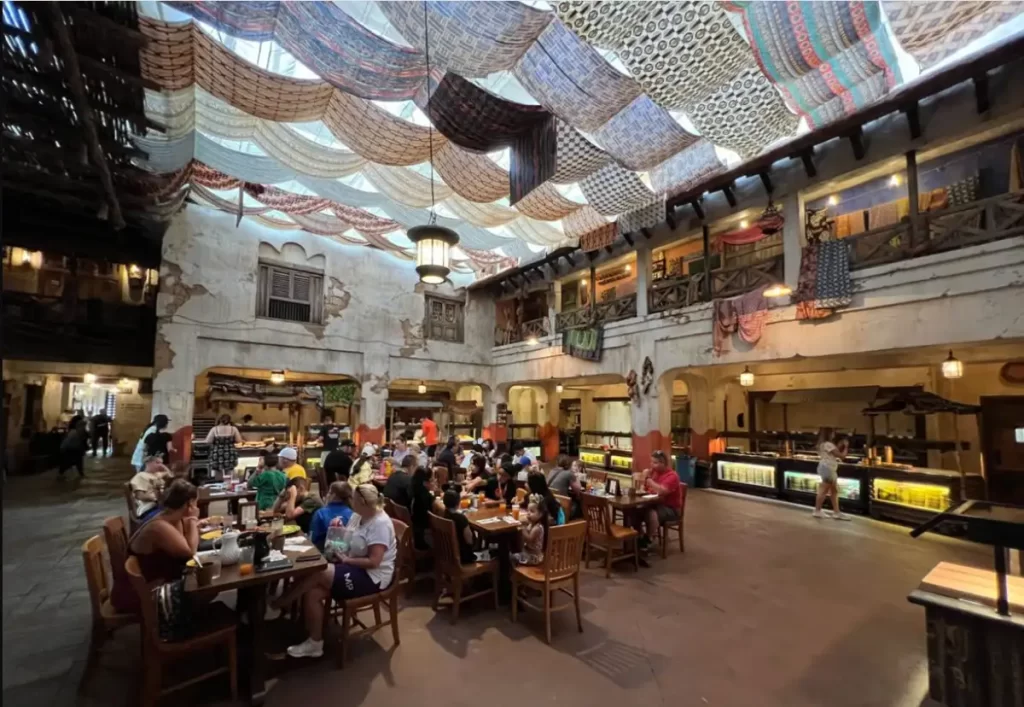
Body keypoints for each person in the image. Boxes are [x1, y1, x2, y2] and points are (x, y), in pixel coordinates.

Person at [276, 484, 398, 659]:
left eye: (353, 499)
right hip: (354, 567)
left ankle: (282, 602)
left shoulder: (380, 524)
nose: (349, 501)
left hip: (373, 577)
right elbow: (349, 538)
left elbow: (374, 561)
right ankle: (315, 643)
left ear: (363, 502)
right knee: (313, 592)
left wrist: (347, 560)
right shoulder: (359, 515)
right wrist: (339, 528)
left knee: (318, 572)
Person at [111, 479, 200, 614]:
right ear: (189, 504)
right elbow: (189, 552)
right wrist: (193, 520)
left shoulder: (169, 518)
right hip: (139, 595)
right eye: (195, 502)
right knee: (204, 587)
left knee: (202, 582)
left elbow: (184, 542)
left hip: (151, 585)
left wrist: (189, 522)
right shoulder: (159, 527)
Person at [633, 451, 683, 552]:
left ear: (663, 463)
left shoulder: (672, 476)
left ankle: (649, 538)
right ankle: (641, 536)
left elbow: (662, 491)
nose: (651, 465)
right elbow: (644, 489)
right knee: (633, 511)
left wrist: (650, 480)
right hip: (654, 503)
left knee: (651, 513)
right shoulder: (654, 473)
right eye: (651, 462)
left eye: (655, 463)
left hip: (671, 509)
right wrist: (644, 478)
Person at [814, 429, 851, 521]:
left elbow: (833, 452)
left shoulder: (823, 444)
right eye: (833, 432)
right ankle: (817, 511)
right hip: (828, 468)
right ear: (829, 434)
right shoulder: (828, 444)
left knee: (834, 490)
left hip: (825, 467)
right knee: (824, 490)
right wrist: (846, 446)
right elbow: (842, 456)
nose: (834, 434)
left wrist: (840, 445)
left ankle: (836, 512)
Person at [309, 481, 355, 551]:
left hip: (324, 554)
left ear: (333, 495)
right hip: (348, 553)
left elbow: (312, 538)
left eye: (329, 492)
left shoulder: (320, 513)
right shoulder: (354, 514)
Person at [130, 456, 174, 521]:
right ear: (148, 463)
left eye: (161, 463)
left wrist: (165, 467)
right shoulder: (140, 476)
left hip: (162, 502)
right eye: (157, 463)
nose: (160, 465)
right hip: (149, 506)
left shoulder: (158, 474)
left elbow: (172, 476)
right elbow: (140, 496)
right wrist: (157, 499)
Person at [442, 488, 476, 565]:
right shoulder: (461, 518)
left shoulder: (444, 514)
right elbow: (469, 541)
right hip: (462, 558)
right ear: (458, 503)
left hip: (448, 554)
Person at [511, 494, 548, 566]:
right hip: (527, 552)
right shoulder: (532, 523)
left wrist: (522, 527)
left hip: (533, 557)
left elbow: (529, 539)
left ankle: (513, 575)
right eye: (528, 510)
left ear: (540, 514)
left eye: (532, 511)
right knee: (512, 551)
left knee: (511, 557)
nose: (528, 513)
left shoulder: (538, 527)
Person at [204, 414, 241, 479]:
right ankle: (229, 486)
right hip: (230, 452)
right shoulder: (233, 429)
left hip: (218, 453)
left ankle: (219, 485)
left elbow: (208, 441)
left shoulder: (214, 429)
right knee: (230, 471)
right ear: (229, 420)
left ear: (219, 420)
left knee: (218, 472)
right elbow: (239, 440)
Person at [409, 466, 438, 550]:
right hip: (426, 536)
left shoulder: (413, 491)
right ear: (425, 483)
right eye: (432, 480)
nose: (435, 482)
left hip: (416, 533)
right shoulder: (426, 497)